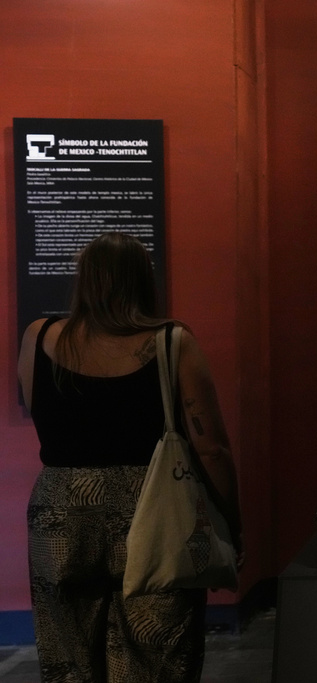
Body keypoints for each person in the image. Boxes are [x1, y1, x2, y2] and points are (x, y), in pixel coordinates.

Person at [17, 232, 243, 683]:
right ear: (143, 281)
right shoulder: (171, 342)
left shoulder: (38, 336)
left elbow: (35, 404)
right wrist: (229, 524)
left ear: (85, 282)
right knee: (156, 650)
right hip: (153, 507)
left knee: (69, 656)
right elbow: (211, 448)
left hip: (60, 510)